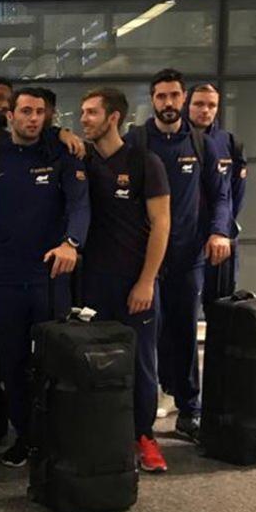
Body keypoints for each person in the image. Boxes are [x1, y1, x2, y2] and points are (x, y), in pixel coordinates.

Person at [0, 87, 89, 468]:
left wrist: (72, 243)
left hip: (48, 277)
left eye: (40, 112)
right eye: (25, 111)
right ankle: (24, 435)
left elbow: (79, 204)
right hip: (5, 277)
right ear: (10, 115)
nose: (33, 118)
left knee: (50, 361)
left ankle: (52, 436)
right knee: (11, 362)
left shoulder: (62, 154)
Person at [124, 68, 232, 442]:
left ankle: (190, 408)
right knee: (144, 337)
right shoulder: (136, 141)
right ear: (152, 100)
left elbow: (221, 195)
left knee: (184, 332)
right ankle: (141, 417)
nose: (168, 103)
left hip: (188, 257)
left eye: (174, 96)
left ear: (182, 98)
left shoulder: (203, 144)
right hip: (144, 259)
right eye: (161, 97)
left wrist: (220, 230)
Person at [79, 87, 172, 472]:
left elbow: (161, 223)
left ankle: (143, 436)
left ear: (113, 117)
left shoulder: (144, 162)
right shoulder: (81, 159)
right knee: (93, 360)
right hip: (92, 284)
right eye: (82, 113)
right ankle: (99, 433)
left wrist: (146, 281)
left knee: (140, 363)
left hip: (136, 283)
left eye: (90, 113)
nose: (83, 119)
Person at [187, 83, 246, 320]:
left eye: (212, 105)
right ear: (186, 105)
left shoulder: (229, 143)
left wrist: (222, 229)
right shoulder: (176, 140)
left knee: (219, 308)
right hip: (184, 238)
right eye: (199, 104)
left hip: (219, 238)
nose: (205, 110)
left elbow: (235, 194)